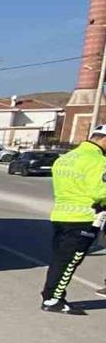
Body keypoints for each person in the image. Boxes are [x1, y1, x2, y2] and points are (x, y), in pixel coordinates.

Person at [40, 124, 106, 315]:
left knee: (60, 259)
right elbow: (100, 191)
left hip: (61, 215)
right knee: (70, 262)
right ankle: (53, 300)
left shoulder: (66, 158)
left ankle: (50, 295)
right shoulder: (97, 161)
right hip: (84, 218)